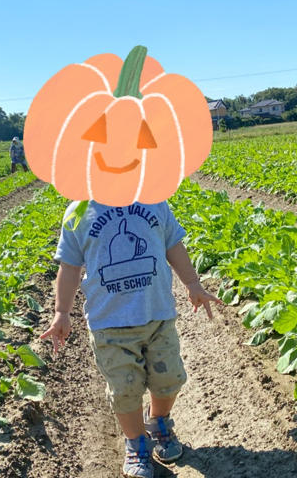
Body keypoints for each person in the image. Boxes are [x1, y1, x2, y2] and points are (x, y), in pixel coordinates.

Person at [40, 200, 221, 478]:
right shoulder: (78, 212)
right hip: (109, 325)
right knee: (125, 389)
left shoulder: (154, 201)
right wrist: (62, 311)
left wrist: (193, 284)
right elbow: (70, 266)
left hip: (158, 316)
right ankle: (136, 443)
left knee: (170, 378)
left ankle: (158, 420)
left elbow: (173, 244)